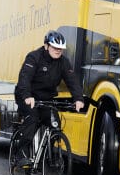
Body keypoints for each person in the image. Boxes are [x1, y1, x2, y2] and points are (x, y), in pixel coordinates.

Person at [14, 30, 84, 164]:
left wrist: (78, 99)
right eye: (55, 47)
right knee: (32, 119)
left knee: (55, 124)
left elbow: (72, 81)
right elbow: (24, 78)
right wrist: (27, 96)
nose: (58, 51)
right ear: (46, 46)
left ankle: (48, 155)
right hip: (27, 96)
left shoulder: (63, 62)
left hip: (46, 98)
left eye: (61, 49)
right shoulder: (34, 57)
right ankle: (21, 154)